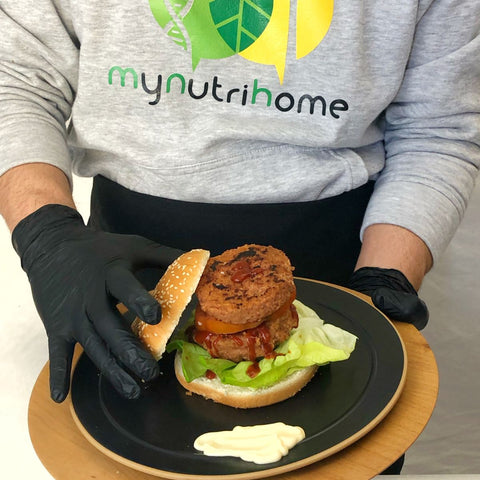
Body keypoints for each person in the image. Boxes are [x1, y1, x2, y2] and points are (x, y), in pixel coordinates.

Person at [1, 1, 479, 474]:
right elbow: (17, 81)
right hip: (123, 278)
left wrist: (387, 273)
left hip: (344, 267)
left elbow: (438, 128)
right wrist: (46, 235)